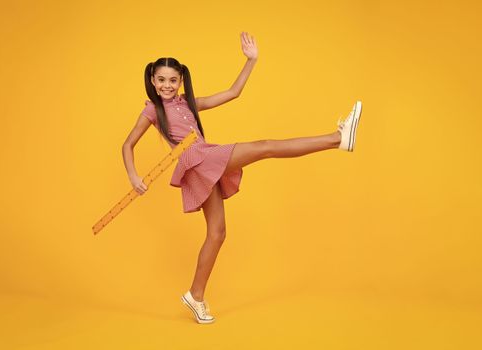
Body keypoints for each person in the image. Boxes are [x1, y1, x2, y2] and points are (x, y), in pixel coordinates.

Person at [122, 32, 362, 324]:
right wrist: (133, 175)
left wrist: (251, 60)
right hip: (197, 159)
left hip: (201, 162)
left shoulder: (189, 103)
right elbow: (127, 144)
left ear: (181, 81)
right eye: (161, 80)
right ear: (152, 80)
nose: (167, 86)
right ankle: (337, 138)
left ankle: (195, 296)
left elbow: (233, 92)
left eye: (173, 80)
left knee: (217, 233)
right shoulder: (150, 110)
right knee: (266, 147)